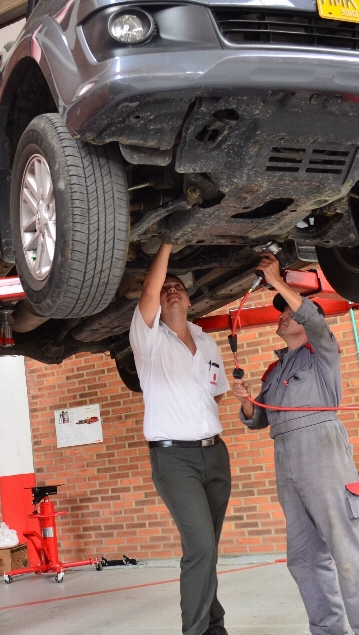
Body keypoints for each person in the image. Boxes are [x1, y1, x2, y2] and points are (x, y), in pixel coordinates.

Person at [232, 253, 359, 635]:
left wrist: (278, 281)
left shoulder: (322, 353)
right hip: (287, 459)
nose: (281, 315)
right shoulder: (276, 369)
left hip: (322, 451)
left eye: (286, 309)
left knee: (347, 553)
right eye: (280, 310)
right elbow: (260, 421)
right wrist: (245, 400)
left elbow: (316, 322)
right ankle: (327, 630)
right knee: (304, 558)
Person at [130, 239, 232, 635]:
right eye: (167, 286)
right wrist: (169, 243)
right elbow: (149, 291)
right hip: (175, 460)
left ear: (191, 301)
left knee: (207, 552)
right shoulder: (148, 339)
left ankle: (215, 626)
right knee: (201, 549)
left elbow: (217, 389)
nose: (173, 289)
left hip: (215, 455)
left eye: (180, 287)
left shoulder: (207, 342)